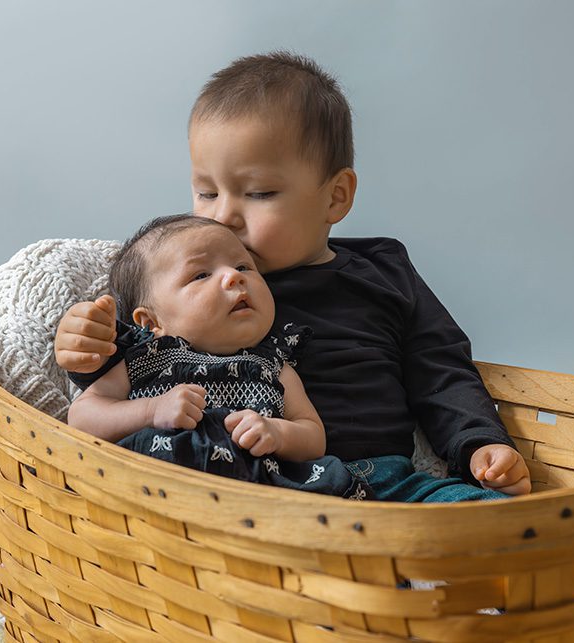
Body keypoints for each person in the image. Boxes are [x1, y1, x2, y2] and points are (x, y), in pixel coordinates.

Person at [56, 51, 531, 502]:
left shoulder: (384, 271)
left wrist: (479, 444)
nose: (223, 218)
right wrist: (83, 342)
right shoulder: (195, 288)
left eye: (258, 193)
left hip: (385, 480)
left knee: (480, 518)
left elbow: (441, 368)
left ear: (335, 197)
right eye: (205, 192)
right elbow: (136, 351)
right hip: (253, 481)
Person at [67, 214, 371, 499]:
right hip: (156, 489)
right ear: (151, 323)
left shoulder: (273, 365)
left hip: (256, 500)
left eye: (243, 267)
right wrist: (150, 411)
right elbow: (82, 417)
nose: (233, 278)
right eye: (201, 274)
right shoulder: (145, 358)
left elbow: (313, 436)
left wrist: (277, 433)